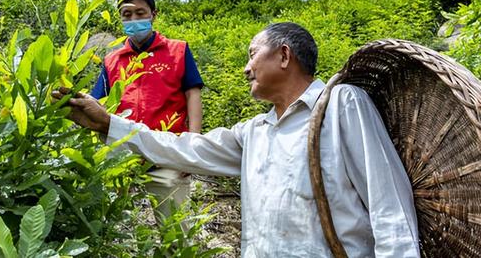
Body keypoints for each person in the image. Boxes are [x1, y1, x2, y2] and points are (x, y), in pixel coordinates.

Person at [56, 22, 420, 257]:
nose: (246, 68)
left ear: (283, 55)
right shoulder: (254, 133)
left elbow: (389, 207)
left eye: (251, 55)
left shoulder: (341, 105)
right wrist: (109, 126)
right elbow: (184, 147)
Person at [90, 0, 204, 226]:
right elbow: (98, 103)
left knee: (176, 233)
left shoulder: (177, 50)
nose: (133, 19)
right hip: (122, 154)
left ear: (154, 14)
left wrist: (193, 144)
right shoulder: (112, 60)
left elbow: (192, 93)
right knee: (112, 230)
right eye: (126, 14)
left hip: (168, 152)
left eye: (140, 13)